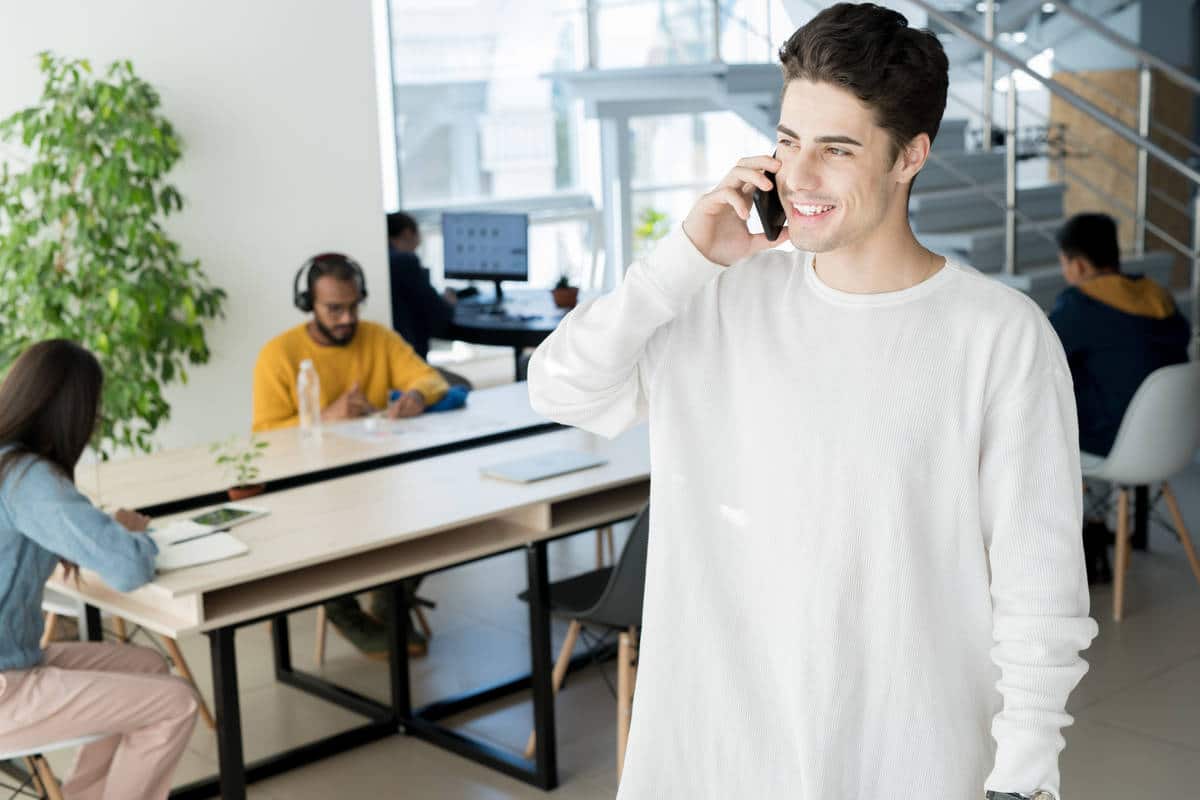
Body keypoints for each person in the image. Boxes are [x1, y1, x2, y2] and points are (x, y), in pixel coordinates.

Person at [527, 4, 1096, 799]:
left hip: (910, 761)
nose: (798, 176)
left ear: (910, 157)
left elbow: (1039, 589)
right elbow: (561, 388)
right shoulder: (718, 298)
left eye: (836, 149)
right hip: (714, 758)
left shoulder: (999, 336)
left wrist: (1024, 772)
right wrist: (684, 260)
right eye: (789, 141)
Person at [0, 339, 200, 800]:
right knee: (176, 703)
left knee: (150, 667)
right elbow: (128, 568)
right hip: (8, 685)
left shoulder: (9, 464)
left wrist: (104, 532)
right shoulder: (25, 476)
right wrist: (132, 538)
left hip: (19, 661)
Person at [252, 252, 449, 657]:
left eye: (353, 306)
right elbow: (262, 435)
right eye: (334, 309)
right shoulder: (279, 355)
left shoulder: (377, 338)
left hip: (375, 477)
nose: (346, 318)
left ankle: (390, 602)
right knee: (317, 533)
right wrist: (325, 417)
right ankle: (346, 613)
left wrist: (415, 395)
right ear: (309, 304)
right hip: (311, 488)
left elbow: (430, 378)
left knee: (442, 514)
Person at [1049, 212, 1191, 583]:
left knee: (1052, 415)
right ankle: (1097, 527)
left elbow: (1042, 357)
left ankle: (1071, 541)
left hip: (1113, 443)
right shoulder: (1161, 298)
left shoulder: (1080, 305)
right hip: (1169, 442)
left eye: (1064, 264)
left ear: (1077, 264)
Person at [387, 211, 457, 362]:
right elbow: (440, 315)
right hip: (408, 360)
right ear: (407, 233)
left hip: (391, 356)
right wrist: (449, 302)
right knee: (461, 384)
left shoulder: (382, 259)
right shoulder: (404, 261)